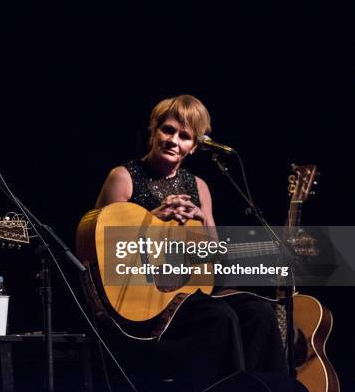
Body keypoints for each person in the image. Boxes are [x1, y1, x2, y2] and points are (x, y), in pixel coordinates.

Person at [95, 95, 289, 389]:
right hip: (139, 299)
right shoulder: (123, 177)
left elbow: (211, 257)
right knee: (220, 317)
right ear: (154, 129)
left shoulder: (198, 186)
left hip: (186, 293)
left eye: (184, 136)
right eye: (168, 130)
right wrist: (154, 218)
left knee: (258, 312)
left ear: (195, 146)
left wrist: (204, 219)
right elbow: (106, 249)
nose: (174, 140)